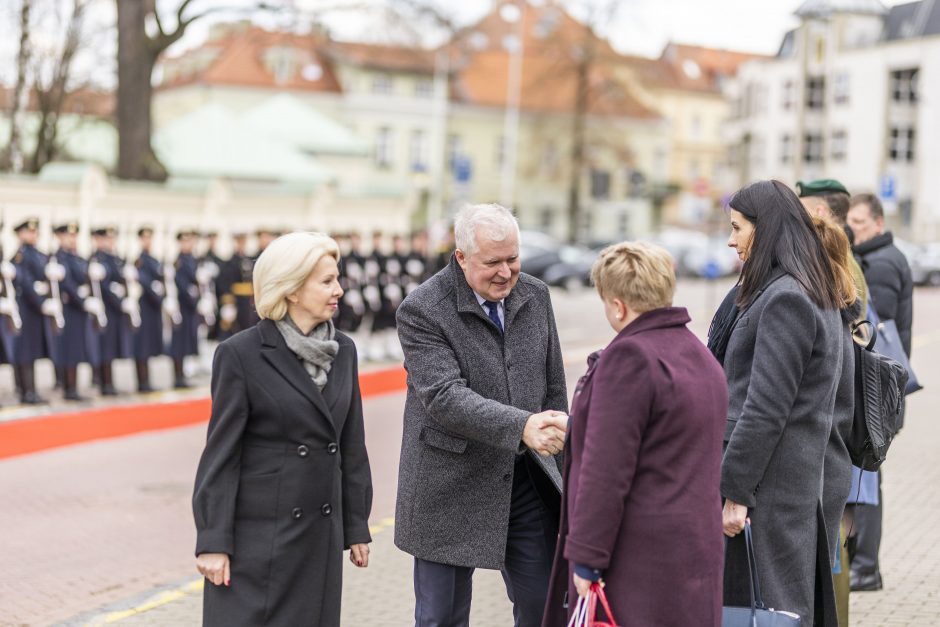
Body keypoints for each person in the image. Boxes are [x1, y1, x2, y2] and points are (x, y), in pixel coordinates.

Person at [394, 203, 569, 627]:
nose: (506, 272)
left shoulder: (536, 295)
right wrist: (522, 426)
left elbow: (554, 387)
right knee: (442, 618)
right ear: (461, 257)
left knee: (545, 609)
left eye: (512, 258)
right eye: (492, 262)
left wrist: (561, 452)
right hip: (449, 485)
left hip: (526, 480)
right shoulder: (422, 310)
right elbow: (444, 397)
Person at [542, 241, 727, 627]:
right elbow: (667, 437)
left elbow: (606, 472)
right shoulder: (699, 355)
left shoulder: (630, 357)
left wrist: (587, 558)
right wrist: (581, 427)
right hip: (694, 551)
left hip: (639, 558)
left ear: (617, 305)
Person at [192, 231, 373, 626]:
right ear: (291, 289)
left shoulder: (344, 351)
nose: (339, 290)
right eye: (326, 281)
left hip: (318, 540)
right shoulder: (240, 355)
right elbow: (221, 456)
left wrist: (357, 525)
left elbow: (350, 444)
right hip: (258, 543)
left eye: (337, 279)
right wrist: (213, 541)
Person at [716, 180, 843, 626]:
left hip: (768, 490)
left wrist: (735, 490)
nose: (731, 240)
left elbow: (766, 408)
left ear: (765, 229)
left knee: (770, 610)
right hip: (784, 484)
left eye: (737, 228)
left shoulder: (787, 297)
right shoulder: (805, 288)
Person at [846, 192, 914, 592]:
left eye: (859, 221)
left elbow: (871, 330)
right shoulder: (878, 259)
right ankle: (863, 565)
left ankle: (866, 567)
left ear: (878, 224)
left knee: (867, 477)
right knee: (866, 474)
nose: (853, 227)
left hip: (877, 392)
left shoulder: (882, 263)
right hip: (882, 392)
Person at [12, 218, 60, 404]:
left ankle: (30, 390)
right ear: (20, 234)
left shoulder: (39, 254)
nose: (33, 235)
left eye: (35, 231)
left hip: (36, 311)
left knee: (31, 351)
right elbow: (25, 283)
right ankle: (27, 392)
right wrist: (41, 302)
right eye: (29, 231)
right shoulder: (21, 255)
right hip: (27, 309)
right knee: (26, 351)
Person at [53, 222, 103, 401]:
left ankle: (72, 387)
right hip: (69, 309)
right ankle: (70, 388)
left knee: (77, 349)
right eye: (68, 235)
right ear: (59, 237)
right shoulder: (58, 258)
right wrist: (83, 301)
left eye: (74, 236)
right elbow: (67, 285)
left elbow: (84, 280)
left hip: (79, 311)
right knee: (69, 350)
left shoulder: (78, 258)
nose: (72, 239)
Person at [91, 226, 135, 396]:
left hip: (115, 310)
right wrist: (118, 301)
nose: (110, 242)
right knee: (105, 348)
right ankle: (105, 383)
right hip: (105, 309)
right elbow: (102, 286)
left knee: (111, 347)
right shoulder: (97, 259)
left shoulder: (115, 258)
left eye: (112, 239)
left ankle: (109, 382)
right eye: (106, 239)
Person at [134, 227, 166, 392]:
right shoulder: (140, 260)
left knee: (150, 344)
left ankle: (147, 379)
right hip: (144, 307)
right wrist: (156, 294)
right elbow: (144, 282)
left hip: (154, 308)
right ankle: (142, 381)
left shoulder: (154, 259)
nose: (147, 241)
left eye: (150, 238)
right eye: (144, 238)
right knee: (142, 346)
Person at [171, 230, 200, 388]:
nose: (187, 244)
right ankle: (178, 376)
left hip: (191, 308)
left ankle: (183, 375)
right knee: (179, 343)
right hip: (181, 307)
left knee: (187, 341)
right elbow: (182, 286)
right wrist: (194, 298)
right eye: (184, 242)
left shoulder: (192, 259)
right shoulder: (179, 261)